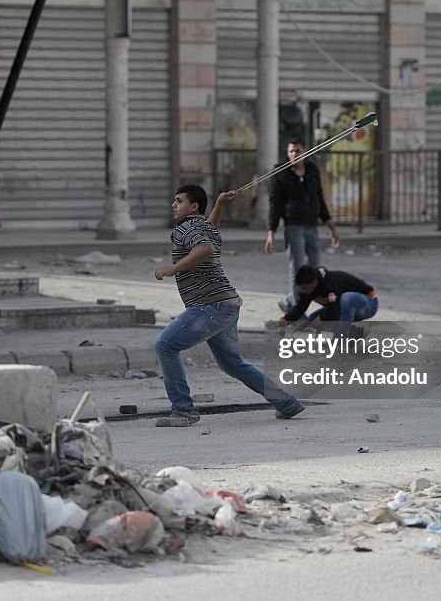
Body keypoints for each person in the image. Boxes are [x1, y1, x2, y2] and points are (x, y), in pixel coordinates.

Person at [153, 184, 305, 426]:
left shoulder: (185, 228)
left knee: (164, 345)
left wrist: (172, 269)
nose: (174, 205)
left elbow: (205, 248)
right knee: (232, 363)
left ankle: (183, 410)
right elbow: (209, 233)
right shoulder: (203, 227)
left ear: (194, 206)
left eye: (179, 201)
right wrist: (221, 203)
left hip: (209, 306)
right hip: (226, 305)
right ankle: (286, 403)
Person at [265, 139, 340, 314]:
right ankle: (297, 311)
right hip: (293, 226)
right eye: (291, 151)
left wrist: (331, 227)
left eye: (297, 151)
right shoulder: (281, 172)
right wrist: (271, 232)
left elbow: (319, 199)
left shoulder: (312, 170)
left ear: (305, 151)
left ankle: (289, 301)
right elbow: (274, 205)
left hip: (311, 226)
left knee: (315, 269)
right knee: (297, 269)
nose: (294, 155)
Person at [277, 265, 378, 327]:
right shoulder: (308, 289)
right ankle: (354, 333)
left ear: (315, 282)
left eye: (306, 288)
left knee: (346, 299)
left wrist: (321, 318)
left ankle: (341, 340)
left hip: (368, 303)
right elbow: (300, 307)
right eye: (302, 288)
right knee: (312, 320)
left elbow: (335, 307)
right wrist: (287, 319)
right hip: (344, 309)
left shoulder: (330, 283)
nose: (304, 291)